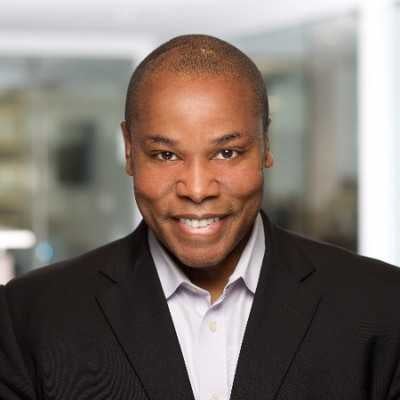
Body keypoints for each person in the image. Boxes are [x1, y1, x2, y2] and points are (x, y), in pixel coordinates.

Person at [1, 34, 400, 400]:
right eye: (165, 155)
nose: (196, 189)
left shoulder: (383, 306)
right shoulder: (30, 317)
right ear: (129, 150)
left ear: (266, 145)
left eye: (227, 153)